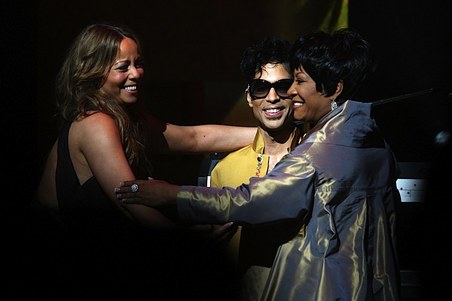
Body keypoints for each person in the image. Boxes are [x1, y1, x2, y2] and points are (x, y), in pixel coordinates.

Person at [116, 28, 401, 301]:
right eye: (262, 87)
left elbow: (251, 200)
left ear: (334, 88)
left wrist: (171, 194)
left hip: (322, 288)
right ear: (249, 95)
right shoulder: (374, 143)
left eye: (292, 83)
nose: (282, 95)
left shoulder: (317, 151)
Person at [35, 23, 255, 300]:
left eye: (138, 64)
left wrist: (270, 134)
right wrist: (193, 245)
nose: (136, 73)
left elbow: (194, 138)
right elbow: (131, 203)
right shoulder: (95, 123)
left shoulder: (125, 117)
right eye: (122, 67)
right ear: (93, 71)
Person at [208, 36, 305, 301]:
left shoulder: (318, 161)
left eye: (282, 86)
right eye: (261, 87)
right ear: (250, 97)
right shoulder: (225, 171)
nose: (272, 97)